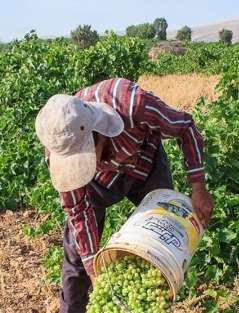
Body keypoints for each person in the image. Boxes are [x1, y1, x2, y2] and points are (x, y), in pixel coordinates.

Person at [35, 78, 214, 313]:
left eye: (86, 158)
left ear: (96, 133)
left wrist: (198, 187)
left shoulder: (132, 105)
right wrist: (93, 269)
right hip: (97, 186)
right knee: (77, 259)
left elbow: (185, 127)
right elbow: (78, 211)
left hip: (146, 167)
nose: (85, 165)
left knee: (161, 236)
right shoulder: (60, 143)